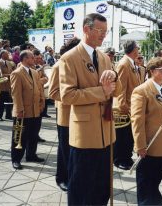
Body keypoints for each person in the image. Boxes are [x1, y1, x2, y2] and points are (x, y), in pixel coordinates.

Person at [59, 13, 121, 205]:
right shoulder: (69, 58)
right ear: (86, 29)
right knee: (81, 186)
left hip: (106, 131)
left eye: (106, 31)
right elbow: (67, 95)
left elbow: (114, 91)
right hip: (84, 134)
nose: (103, 35)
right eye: (100, 31)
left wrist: (114, 77)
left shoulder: (104, 57)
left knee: (102, 186)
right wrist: (101, 91)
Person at [131, 57, 162, 205]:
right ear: (151, 71)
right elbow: (137, 120)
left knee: (155, 180)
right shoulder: (142, 91)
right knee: (146, 182)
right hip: (149, 146)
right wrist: (140, 145)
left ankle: (155, 201)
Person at [48, 37, 81, 192]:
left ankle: (73, 177)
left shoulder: (77, 64)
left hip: (79, 115)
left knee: (74, 150)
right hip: (66, 115)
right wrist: (74, 96)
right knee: (64, 149)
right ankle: (61, 178)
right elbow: (53, 92)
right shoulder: (58, 66)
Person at [10, 50, 45, 170]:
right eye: (32, 57)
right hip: (22, 112)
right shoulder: (17, 73)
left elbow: (38, 89)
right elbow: (16, 94)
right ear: (25, 59)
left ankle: (31, 155)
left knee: (33, 135)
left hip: (35, 110)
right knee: (19, 137)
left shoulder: (34, 72)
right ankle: (16, 159)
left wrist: (41, 103)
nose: (34, 59)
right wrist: (19, 110)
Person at [113, 40, 145, 170]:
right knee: (122, 136)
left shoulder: (131, 63)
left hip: (131, 106)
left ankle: (126, 157)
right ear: (133, 50)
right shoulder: (124, 64)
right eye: (138, 48)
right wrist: (123, 107)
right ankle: (119, 159)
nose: (139, 50)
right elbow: (121, 88)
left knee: (128, 137)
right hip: (124, 108)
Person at [0, 50, 13, 121]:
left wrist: (10, 75)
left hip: (9, 85)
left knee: (9, 101)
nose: (8, 55)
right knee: (1, 101)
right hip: (1, 85)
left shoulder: (9, 63)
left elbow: (12, 72)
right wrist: (10, 75)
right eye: (6, 54)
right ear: (2, 55)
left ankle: (8, 115)